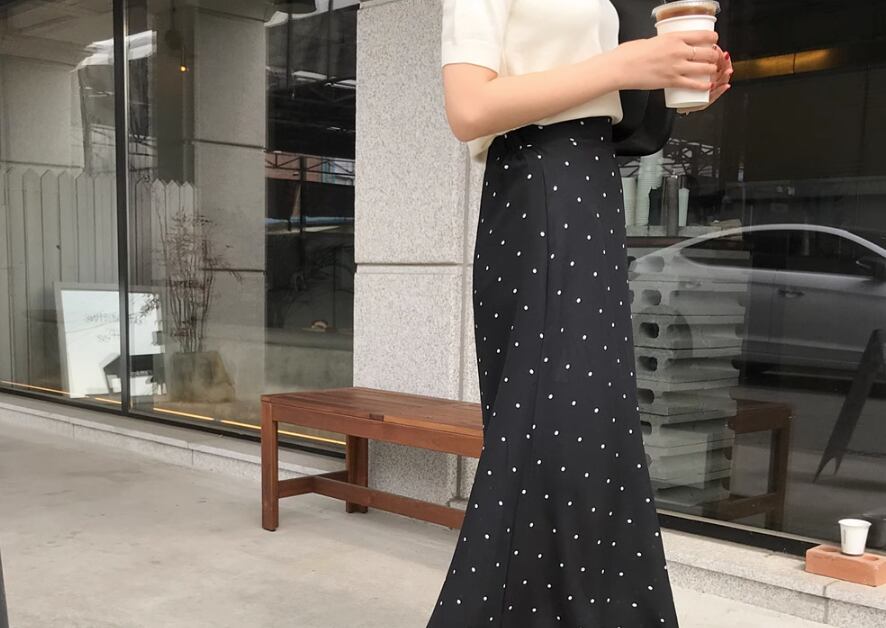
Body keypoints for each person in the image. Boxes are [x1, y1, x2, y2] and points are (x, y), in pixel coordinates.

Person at [427, 1, 733, 626]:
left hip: (591, 183)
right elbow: (469, 108)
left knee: (595, 431)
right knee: (550, 430)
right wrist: (626, 62)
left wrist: (674, 78)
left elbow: (595, 97)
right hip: (540, 184)